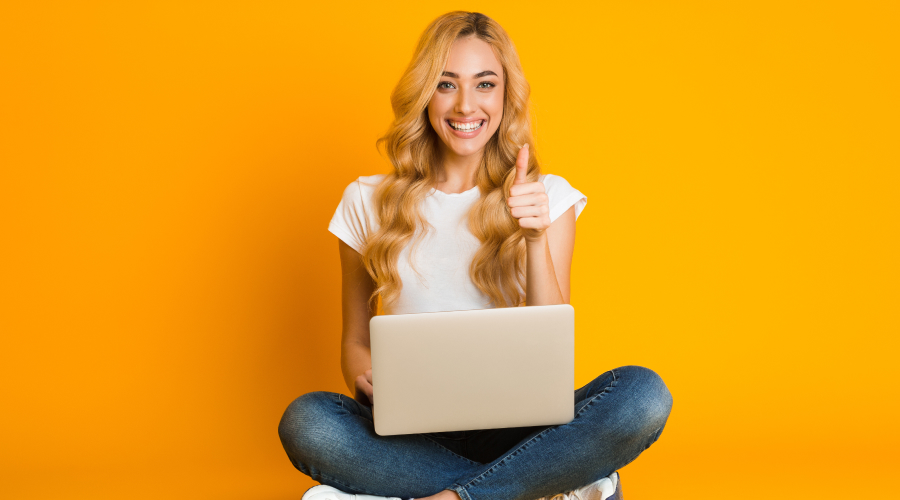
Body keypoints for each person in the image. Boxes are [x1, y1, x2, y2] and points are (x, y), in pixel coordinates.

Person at [278, 11, 673, 500]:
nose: (466, 104)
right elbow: (354, 341)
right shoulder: (365, 200)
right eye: (446, 84)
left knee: (642, 396)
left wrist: (533, 237)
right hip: (410, 434)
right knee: (309, 422)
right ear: (425, 95)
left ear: (506, 96)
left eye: (485, 84)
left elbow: (553, 349)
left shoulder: (547, 195)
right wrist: (364, 376)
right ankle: (541, 485)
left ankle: (454, 496)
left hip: (521, 429)